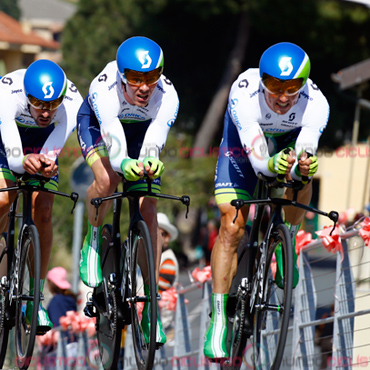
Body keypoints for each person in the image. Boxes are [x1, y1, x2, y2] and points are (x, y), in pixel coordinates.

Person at [204, 42, 330, 360]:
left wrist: (304, 163)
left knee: (302, 176)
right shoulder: (244, 93)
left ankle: (286, 236)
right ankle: (219, 320)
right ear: (262, 80)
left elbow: (307, 146)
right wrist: (272, 164)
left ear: (304, 84)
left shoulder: (316, 104)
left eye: (292, 87)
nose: (283, 96)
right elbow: (260, 162)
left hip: (288, 141)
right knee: (232, 226)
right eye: (274, 85)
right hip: (243, 148)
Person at [77, 36, 179, 347]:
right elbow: (115, 142)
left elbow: (154, 139)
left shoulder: (169, 95)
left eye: (151, 78)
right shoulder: (104, 88)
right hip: (100, 128)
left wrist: (150, 161)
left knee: (148, 207)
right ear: (122, 75)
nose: (144, 87)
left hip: (140, 135)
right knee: (109, 179)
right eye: (135, 79)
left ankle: (150, 308)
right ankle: (93, 240)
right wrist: (123, 163)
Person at [0, 60, 83, 334]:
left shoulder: (71, 104)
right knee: (3, 200)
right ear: (27, 95)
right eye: (38, 103)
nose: (46, 112)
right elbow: (14, 159)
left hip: (42, 142)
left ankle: (35, 299)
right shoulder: (7, 95)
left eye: (52, 104)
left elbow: (50, 153)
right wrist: (23, 160)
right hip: (8, 142)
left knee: (43, 208)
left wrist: (46, 162)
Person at [157, 212, 180, 331]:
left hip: (161, 324)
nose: (155, 236)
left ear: (167, 237)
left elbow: (157, 291)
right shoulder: (160, 257)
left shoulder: (168, 259)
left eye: (159, 233)